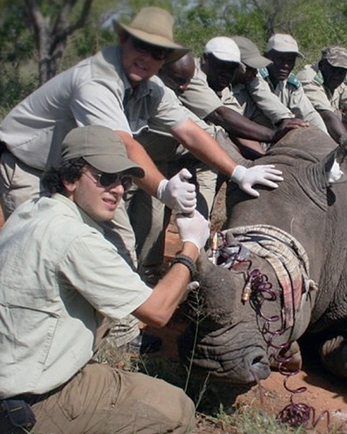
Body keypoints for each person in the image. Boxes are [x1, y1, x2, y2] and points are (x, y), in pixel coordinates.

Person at [0, 7, 281, 348]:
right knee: (38, 250)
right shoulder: (97, 79)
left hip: (82, 172)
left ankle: (115, 333)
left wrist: (238, 171)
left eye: (158, 52)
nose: (148, 58)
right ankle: (31, 344)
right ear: (123, 40)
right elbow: (123, 143)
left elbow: (189, 131)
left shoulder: (150, 88)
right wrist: (163, 188)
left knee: (115, 241)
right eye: (141, 46)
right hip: (31, 168)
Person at [0, 125, 208, 434]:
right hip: (32, 401)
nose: (119, 190)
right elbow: (159, 311)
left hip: (15, 372)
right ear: (70, 178)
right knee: (177, 410)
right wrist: (190, 247)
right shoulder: (75, 238)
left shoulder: (31, 210)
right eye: (106, 178)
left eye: (124, 180)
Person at [130, 52, 219, 278]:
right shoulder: (157, 91)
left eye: (188, 80)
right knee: (137, 224)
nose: (184, 87)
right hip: (139, 163)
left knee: (159, 221)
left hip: (175, 160)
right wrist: (239, 169)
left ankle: (191, 263)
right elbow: (201, 132)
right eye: (179, 80)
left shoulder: (172, 88)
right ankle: (141, 273)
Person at [177, 36, 297, 161]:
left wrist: (263, 160)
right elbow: (222, 116)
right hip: (171, 154)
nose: (226, 73)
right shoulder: (189, 75)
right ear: (205, 59)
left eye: (231, 69)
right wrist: (273, 135)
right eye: (221, 65)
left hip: (196, 155)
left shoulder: (222, 84)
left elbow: (238, 128)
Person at [260, 33, 328, 134]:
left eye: (290, 60)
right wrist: (287, 120)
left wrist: (326, 139)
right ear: (266, 57)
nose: (286, 65)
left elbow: (309, 114)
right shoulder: (256, 77)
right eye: (280, 59)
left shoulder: (291, 83)